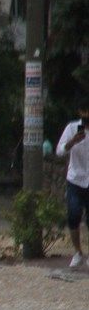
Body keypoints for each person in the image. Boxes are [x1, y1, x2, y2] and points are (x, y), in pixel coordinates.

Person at [55, 100, 89, 269]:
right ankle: (78, 252)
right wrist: (73, 142)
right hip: (75, 179)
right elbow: (59, 150)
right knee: (73, 215)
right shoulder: (71, 128)